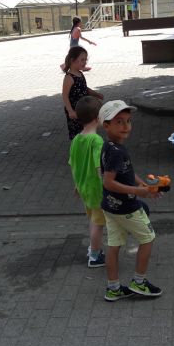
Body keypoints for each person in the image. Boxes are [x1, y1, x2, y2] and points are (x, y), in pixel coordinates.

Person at [98, 100, 162, 301]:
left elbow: (125, 172)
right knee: (148, 238)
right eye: (119, 122)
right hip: (127, 208)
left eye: (128, 121)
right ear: (106, 125)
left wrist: (143, 186)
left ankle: (113, 288)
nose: (126, 126)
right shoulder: (117, 151)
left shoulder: (109, 147)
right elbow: (108, 182)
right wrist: (137, 191)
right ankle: (139, 282)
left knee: (114, 244)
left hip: (110, 207)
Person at [68, 96, 107, 268]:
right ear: (98, 118)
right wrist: (108, 185)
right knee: (98, 224)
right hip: (96, 190)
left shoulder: (77, 139)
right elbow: (100, 167)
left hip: (84, 188)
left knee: (93, 220)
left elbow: (73, 164)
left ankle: (93, 249)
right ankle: (95, 256)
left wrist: (77, 184)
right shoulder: (96, 140)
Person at [62, 46, 103, 140]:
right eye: (82, 60)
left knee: (87, 130)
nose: (84, 62)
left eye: (85, 60)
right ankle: (78, 147)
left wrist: (97, 95)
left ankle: (88, 145)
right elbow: (65, 96)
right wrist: (70, 111)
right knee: (78, 134)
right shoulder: (69, 78)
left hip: (84, 108)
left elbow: (85, 88)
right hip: (75, 111)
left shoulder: (80, 74)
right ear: (72, 60)